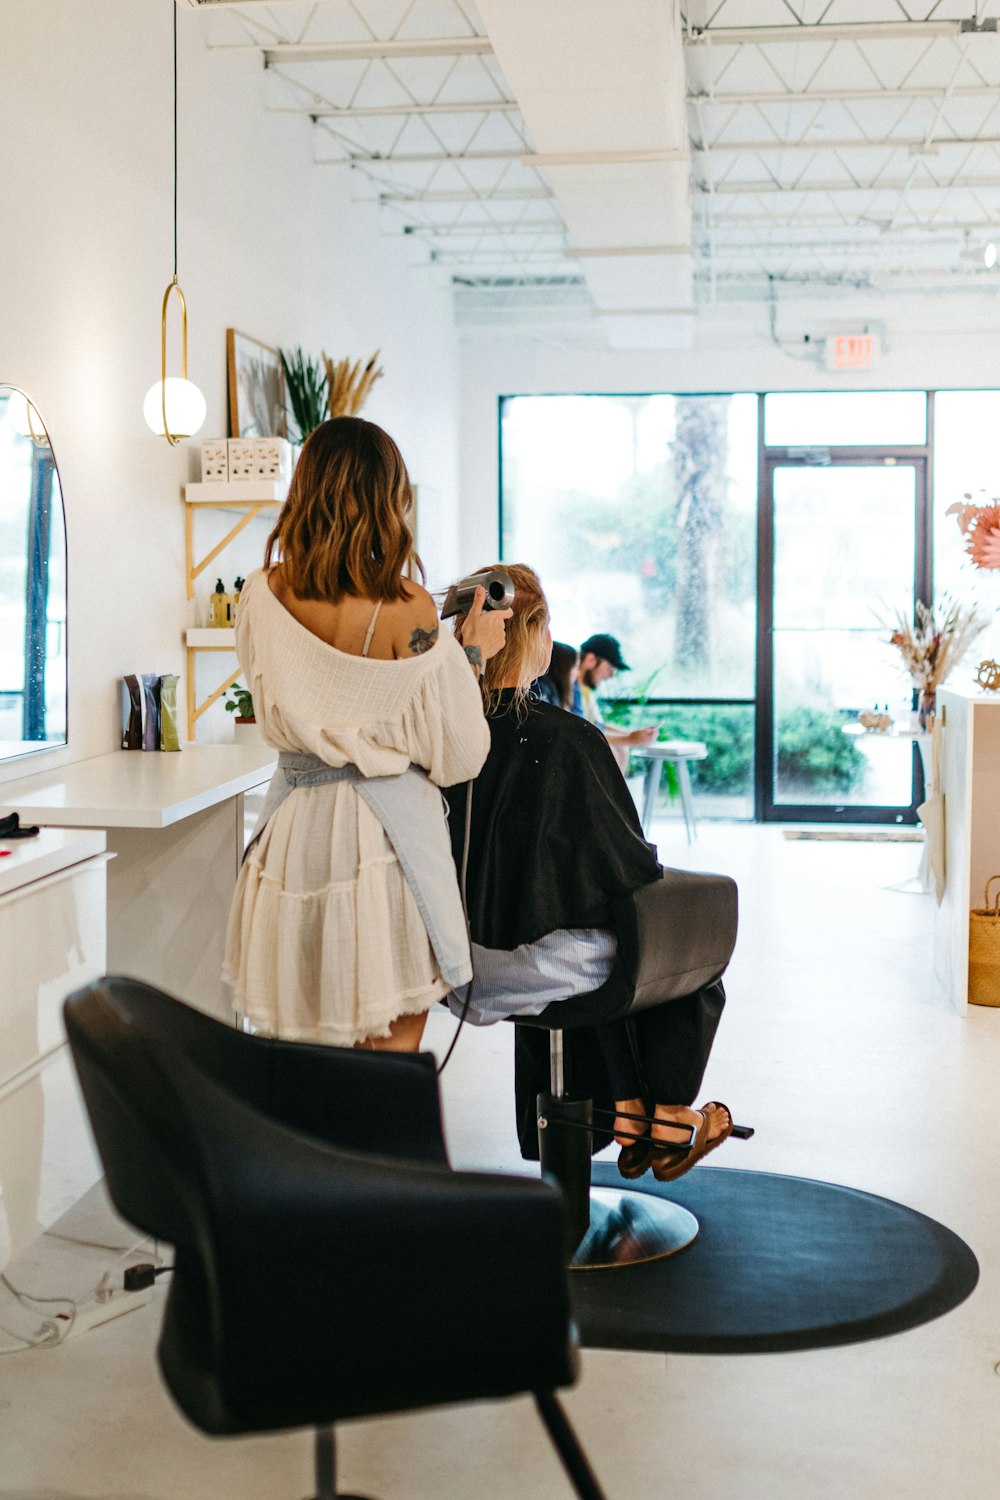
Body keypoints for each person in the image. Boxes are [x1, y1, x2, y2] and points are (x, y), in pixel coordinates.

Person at [222, 416, 510, 1053]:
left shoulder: (258, 595)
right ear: (389, 498)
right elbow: (460, 752)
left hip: (293, 833)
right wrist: (470, 655)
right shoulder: (409, 608)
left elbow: (295, 698)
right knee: (388, 1056)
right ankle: (377, 1155)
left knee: (301, 1051)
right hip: (381, 842)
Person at [445, 564, 733, 1182]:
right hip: (539, 966)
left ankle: (629, 1111)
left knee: (580, 927)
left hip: (455, 965)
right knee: (670, 947)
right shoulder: (569, 739)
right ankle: (668, 1117)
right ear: (538, 635)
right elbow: (627, 864)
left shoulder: (440, 733)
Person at [575, 632, 656, 773]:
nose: (611, 675)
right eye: (609, 668)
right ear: (590, 660)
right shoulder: (571, 690)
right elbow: (581, 732)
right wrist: (629, 738)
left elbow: (596, 725)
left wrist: (632, 734)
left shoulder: (585, 690)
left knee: (620, 749)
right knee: (616, 749)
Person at [532, 639, 578, 710]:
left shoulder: (546, 688)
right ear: (564, 668)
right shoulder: (542, 691)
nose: (577, 673)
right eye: (575, 667)